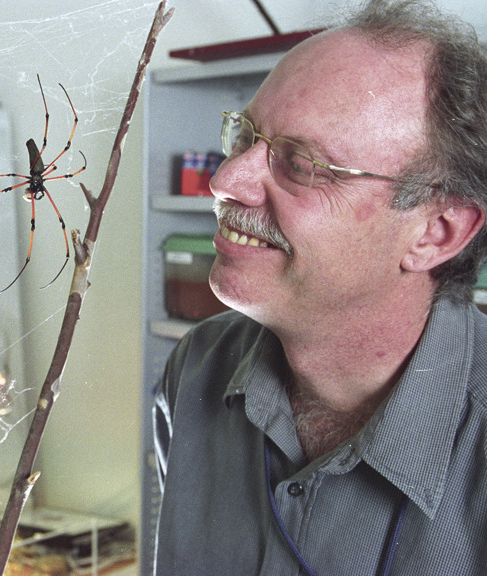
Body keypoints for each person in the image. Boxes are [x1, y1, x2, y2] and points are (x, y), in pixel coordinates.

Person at [154, 0, 487, 574]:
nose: (225, 181)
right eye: (245, 136)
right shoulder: (197, 367)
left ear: (435, 232)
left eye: (301, 165)